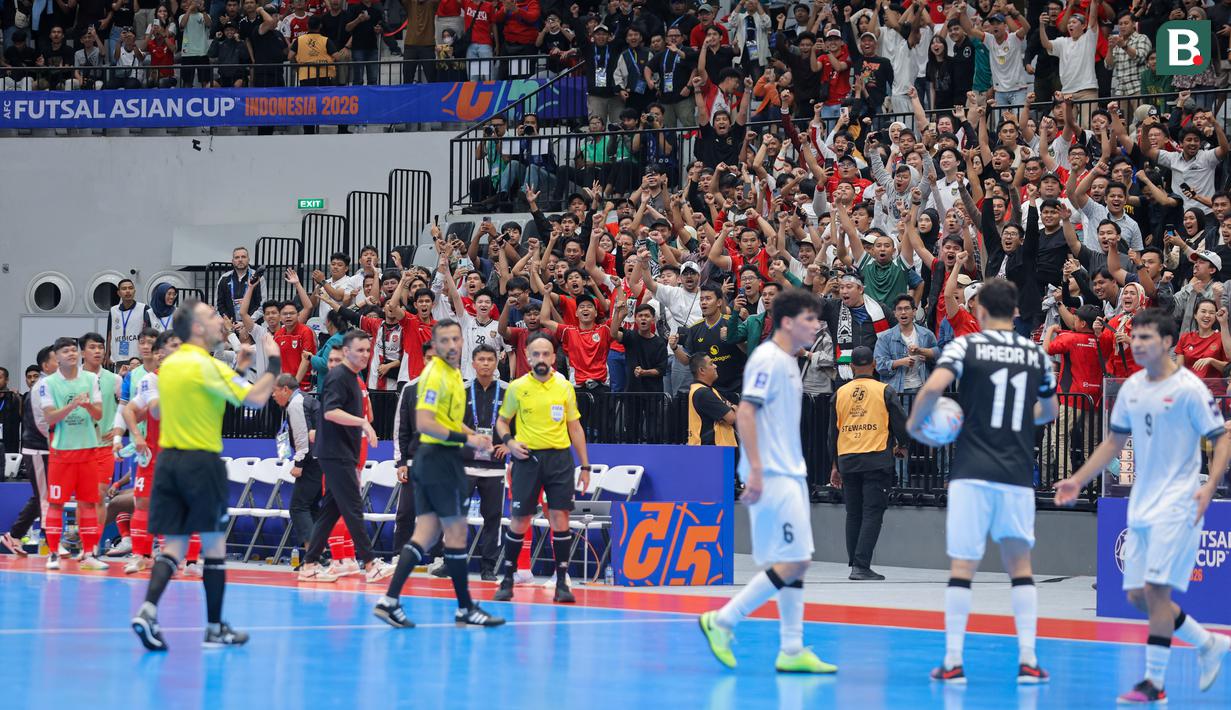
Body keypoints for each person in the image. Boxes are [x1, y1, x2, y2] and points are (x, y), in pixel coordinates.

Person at [1056, 308, 1231, 704]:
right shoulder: (1132, 388)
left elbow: (1221, 439)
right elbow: (1113, 444)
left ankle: (1154, 683)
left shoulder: (1189, 389)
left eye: (1146, 337)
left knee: (1155, 590)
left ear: (1167, 343)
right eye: (1134, 336)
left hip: (1178, 503)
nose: (1136, 343)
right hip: (1141, 504)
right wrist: (1077, 479)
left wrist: (1210, 487)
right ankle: (1207, 643)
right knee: (1137, 595)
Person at [907, 278, 1058, 685]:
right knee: (1020, 567)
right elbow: (1049, 412)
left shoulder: (965, 346)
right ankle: (1028, 661)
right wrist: (1018, 419)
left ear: (979, 310)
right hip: (1016, 472)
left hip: (971, 470)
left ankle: (953, 662)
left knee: (963, 567)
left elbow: (933, 388)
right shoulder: (1036, 354)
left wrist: (916, 425)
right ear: (1016, 312)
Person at [698, 288, 837, 674]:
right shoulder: (767, 359)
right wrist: (756, 470)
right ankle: (723, 620)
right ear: (788, 323)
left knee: (795, 560)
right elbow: (745, 414)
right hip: (773, 474)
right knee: (795, 561)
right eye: (810, 319)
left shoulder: (790, 361)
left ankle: (791, 649)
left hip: (790, 472)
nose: (816, 325)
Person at [131, 300, 281, 652]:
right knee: (214, 546)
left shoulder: (170, 366)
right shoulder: (206, 365)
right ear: (197, 328)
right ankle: (214, 628)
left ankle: (148, 610)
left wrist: (238, 369)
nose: (219, 320)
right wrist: (273, 360)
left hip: (169, 462)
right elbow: (256, 399)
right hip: (200, 462)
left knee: (174, 546)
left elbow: (210, 398)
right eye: (212, 316)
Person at [375, 320, 504, 628]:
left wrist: (472, 434)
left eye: (456, 339)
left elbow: (446, 419)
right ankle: (465, 608)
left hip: (443, 460)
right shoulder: (435, 375)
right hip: (437, 461)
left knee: (428, 534)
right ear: (435, 345)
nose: (452, 344)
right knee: (453, 534)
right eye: (445, 340)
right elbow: (425, 423)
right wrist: (468, 440)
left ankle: (390, 601)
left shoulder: (453, 374)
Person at [491, 333, 592, 603]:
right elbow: (502, 421)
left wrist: (585, 466)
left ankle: (562, 582)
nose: (541, 358)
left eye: (546, 353)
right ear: (527, 356)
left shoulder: (564, 386)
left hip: (559, 459)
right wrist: (510, 442)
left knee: (560, 518)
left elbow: (575, 427)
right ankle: (509, 579)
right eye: (536, 354)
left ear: (554, 357)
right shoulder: (517, 387)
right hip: (527, 459)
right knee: (520, 519)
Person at [297, 330, 395, 585]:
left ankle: (309, 565)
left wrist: (363, 423)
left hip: (344, 452)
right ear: (347, 352)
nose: (365, 355)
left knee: (330, 511)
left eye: (367, 350)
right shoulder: (339, 376)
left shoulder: (353, 378)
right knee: (352, 507)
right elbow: (330, 412)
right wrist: (362, 423)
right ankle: (371, 564)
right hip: (335, 452)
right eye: (359, 350)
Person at [830, 346, 909, 581]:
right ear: (874, 364)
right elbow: (901, 424)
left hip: (847, 458)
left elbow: (832, 434)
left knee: (853, 513)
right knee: (872, 512)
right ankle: (861, 566)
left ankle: (855, 563)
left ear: (852, 366)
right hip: (875, 459)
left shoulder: (840, 393)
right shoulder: (884, 390)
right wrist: (903, 445)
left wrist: (834, 465)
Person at [116, 331, 183, 575]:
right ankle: (140, 555)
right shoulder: (150, 379)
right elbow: (129, 410)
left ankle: (180, 558)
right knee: (143, 502)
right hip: (154, 453)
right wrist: (136, 435)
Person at [39, 337, 106, 571]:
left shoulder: (90, 379)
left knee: (88, 503)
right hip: (62, 453)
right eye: (65, 351)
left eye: (73, 350)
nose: (71, 354)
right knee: (56, 503)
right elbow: (50, 417)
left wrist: (87, 405)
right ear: (56, 357)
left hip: (88, 450)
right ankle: (53, 554)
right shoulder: (48, 384)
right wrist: (73, 405)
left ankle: (88, 554)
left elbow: (98, 414)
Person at [0, 347, 56, 557]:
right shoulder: (41, 388)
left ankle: (14, 535)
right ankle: (51, 544)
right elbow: (42, 423)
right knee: (45, 497)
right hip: (39, 449)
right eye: (57, 358)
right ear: (46, 365)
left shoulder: (55, 385)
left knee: (45, 494)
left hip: (51, 449)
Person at [459, 344, 507, 580]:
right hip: (465, 463)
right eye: (481, 359)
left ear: (496, 363)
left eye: (490, 359)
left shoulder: (508, 391)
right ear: (473, 363)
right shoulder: (462, 390)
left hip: (495, 465)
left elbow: (519, 422)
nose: (486, 363)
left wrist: (509, 444)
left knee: (493, 518)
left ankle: (488, 567)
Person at [271, 373, 322, 567]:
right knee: (312, 508)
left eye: (275, 391)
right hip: (321, 460)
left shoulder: (296, 404)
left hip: (311, 461)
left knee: (298, 507)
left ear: (285, 389)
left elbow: (303, 437)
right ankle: (319, 554)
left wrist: (299, 464)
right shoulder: (304, 400)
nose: (273, 395)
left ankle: (311, 558)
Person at [686, 354, 736, 446]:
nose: (715, 366)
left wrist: (730, 410)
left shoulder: (709, 390)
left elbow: (731, 410)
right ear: (702, 370)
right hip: (709, 449)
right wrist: (731, 409)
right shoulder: (703, 393)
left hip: (718, 448)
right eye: (711, 364)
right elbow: (731, 417)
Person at [107, 279, 152, 366]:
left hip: (137, 359)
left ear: (134, 291)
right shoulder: (113, 310)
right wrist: (107, 356)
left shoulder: (144, 308)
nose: (128, 291)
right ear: (119, 293)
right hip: (117, 359)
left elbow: (149, 334)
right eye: (124, 289)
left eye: (130, 288)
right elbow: (110, 333)